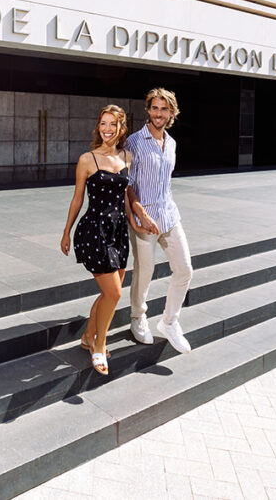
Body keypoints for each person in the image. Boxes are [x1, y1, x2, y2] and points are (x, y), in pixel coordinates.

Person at [60, 104, 133, 376]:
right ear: (98, 126)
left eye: (112, 124)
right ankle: (99, 347)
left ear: (121, 128)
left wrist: (134, 220)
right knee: (114, 293)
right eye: (103, 123)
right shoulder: (87, 159)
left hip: (119, 232)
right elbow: (78, 197)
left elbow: (124, 195)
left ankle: (88, 336)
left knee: (108, 293)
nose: (107, 129)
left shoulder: (127, 156)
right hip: (94, 231)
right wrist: (66, 231)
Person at [125, 87, 194, 353]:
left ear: (171, 112)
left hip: (169, 214)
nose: (158, 113)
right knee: (145, 271)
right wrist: (137, 215)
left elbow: (165, 183)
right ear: (148, 110)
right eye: (154, 108)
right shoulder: (134, 141)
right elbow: (128, 184)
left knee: (185, 269)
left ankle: (169, 321)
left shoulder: (172, 143)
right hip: (143, 218)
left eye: (163, 109)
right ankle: (137, 316)